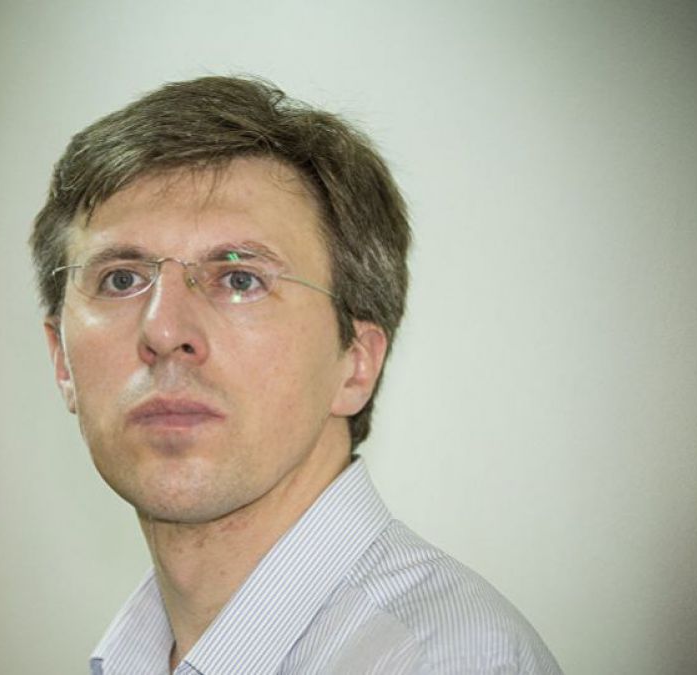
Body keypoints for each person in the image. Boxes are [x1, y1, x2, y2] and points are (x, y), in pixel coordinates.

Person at [31, 75, 562, 675]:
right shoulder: (138, 654)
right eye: (121, 279)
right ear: (62, 360)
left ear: (356, 363)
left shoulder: (446, 661)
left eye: (240, 279)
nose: (163, 330)